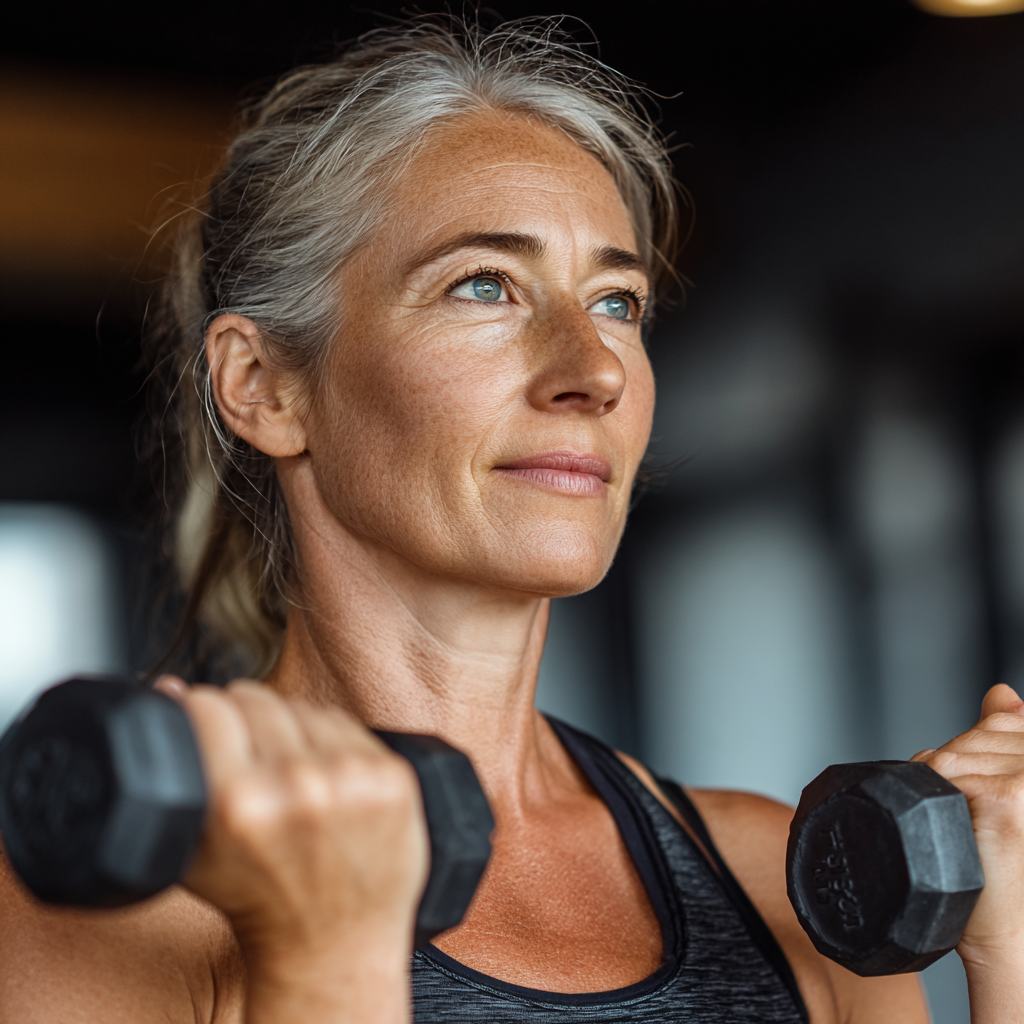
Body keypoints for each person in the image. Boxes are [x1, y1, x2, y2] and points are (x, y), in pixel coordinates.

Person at [1, 17, 1021, 1024]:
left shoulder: (788, 888)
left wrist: (1011, 957)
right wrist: (323, 951)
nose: (594, 371)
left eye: (616, 301)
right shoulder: (113, 904)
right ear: (264, 384)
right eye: (483, 285)